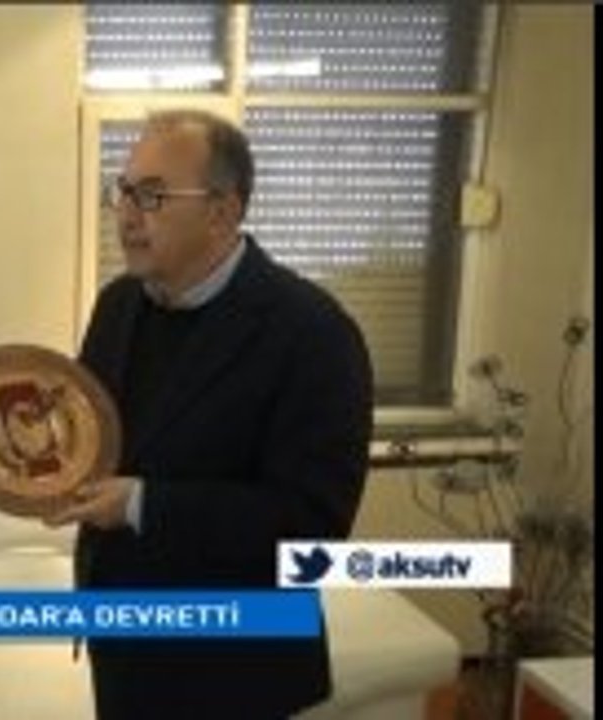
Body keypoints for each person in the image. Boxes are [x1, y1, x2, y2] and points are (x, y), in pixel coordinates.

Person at [46, 110, 373, 718]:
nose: (126, 215)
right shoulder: (118, 304)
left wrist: (142, 505)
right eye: (123, 191)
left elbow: (312, 526)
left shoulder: (313, 333)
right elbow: (92, 435)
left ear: (222, 211)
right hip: (120, 646)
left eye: (152, 196)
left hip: (236, 669)